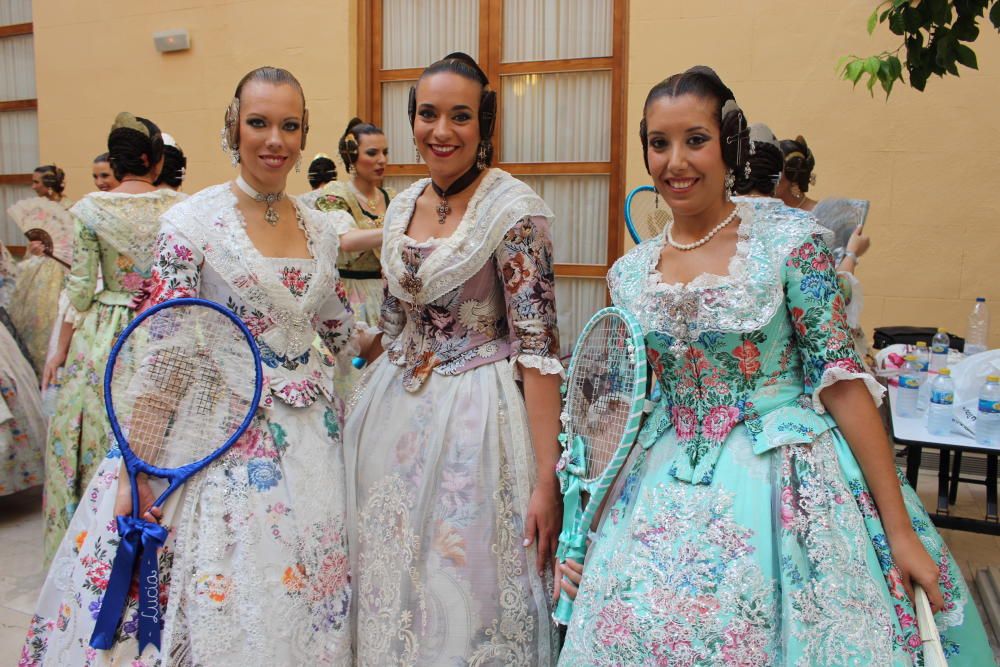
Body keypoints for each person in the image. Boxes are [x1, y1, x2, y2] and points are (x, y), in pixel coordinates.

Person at [557, 66, 993, 665]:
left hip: (785, 482)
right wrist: (586, 525)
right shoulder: (631, 273)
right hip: (658, 482)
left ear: (729, 145)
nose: (675, 161)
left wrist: (900, 531)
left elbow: (842, 384)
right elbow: (633, 402)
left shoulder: (791, 243)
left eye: (695, 139)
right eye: (659, 143)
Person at [23, 67, 360, 666]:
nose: (273, 140)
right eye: (258, 123)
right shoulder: (193, 223)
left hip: (313, 444)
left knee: (314, 600)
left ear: (305, 132)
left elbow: (337, 331)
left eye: (288, 125)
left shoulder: (321, 230)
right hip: (220, 446)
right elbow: (164, 352)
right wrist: (135, 470)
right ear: (232, 126)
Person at [345, 52, 562, 665]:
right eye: (428, 114)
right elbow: (389, 327)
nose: (441, 131)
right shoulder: (403, 202)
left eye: (460, 116)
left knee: (464, 573)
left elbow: (540, 353)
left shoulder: (515, 212)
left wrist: (547, 476)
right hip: (390, 411)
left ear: (484, 126)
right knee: (388, 571)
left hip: (477, 417)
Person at [39, 112, 184, 562]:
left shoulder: (88, 210)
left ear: (117, 163)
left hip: (107, 334)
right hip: (166, 324)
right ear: (156, 161)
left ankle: (90, 548)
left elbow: (80, 289)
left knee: (96, 428)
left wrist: (59, 350)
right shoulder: (181, 207)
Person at [778, 135, 874, 364]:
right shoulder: (759, 215)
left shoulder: (832, 217)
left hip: (819, 326)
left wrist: (851, 254)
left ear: (790, 180)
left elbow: (837, 289)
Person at [6, 168, 75, 377]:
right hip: (39, 270)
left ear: (49, 185)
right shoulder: (40, 213)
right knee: (34, 319)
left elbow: (73, 247)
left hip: (63, 270)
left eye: (36, 182)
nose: (33, 186)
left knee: (57, 316)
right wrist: (34, 250)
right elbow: (31, 251)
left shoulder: (71, 209)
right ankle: (37, 369)